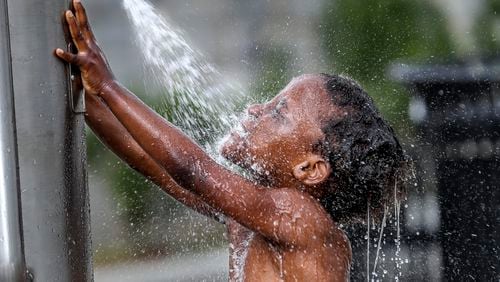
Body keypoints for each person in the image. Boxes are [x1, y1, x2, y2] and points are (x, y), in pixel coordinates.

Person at [55, 0, 409, 280]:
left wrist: (108, 86)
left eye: (278, 113)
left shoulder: (304, 221)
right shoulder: (251, 214)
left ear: (309, 168)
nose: (256, 108)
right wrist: (88, 96)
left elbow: (189, 168)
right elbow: (152, 161)